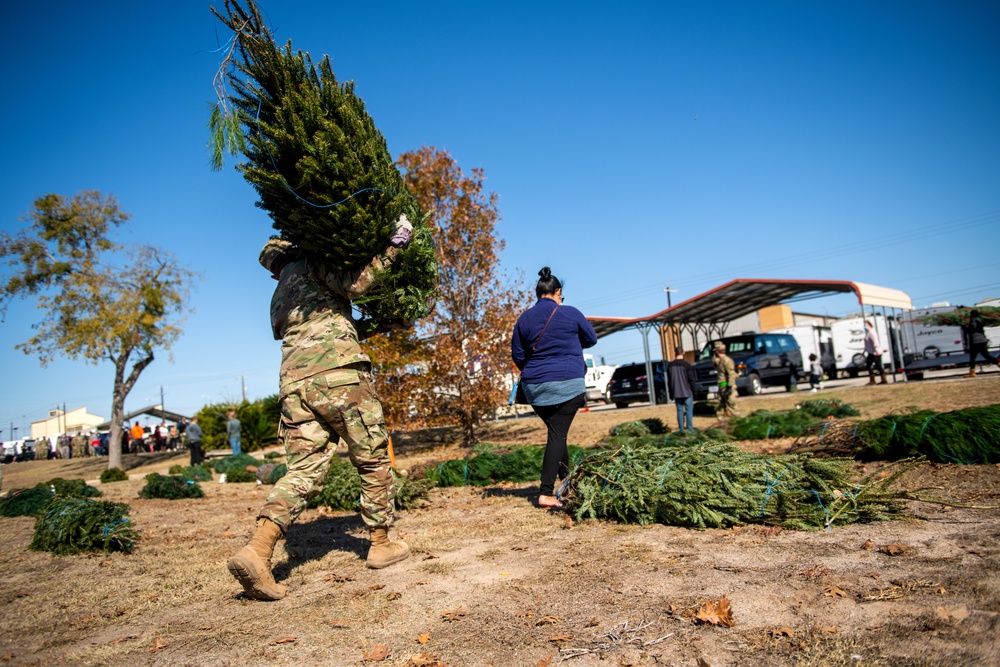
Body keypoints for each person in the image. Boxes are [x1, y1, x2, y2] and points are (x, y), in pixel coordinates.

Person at [228, 217, 414, 602]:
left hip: (294, 385)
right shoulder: (309, 264)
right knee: (372, 458)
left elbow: (328, 323)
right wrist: (394, 245)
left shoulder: (280, 295)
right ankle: (380, 543)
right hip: (340, 378)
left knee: (304, 470)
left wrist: (376, 323)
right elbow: (356, 284)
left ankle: (257, 551)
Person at [511, 267, 597, 509]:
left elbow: (518, 355)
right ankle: (546, 493)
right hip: (568, 384)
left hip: (535, 388)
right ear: (558, 291)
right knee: (557, 435)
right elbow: (591, 339)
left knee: (557, 434)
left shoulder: (524, 318)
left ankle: (568, 483)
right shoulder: (570, 313)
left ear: (538, 292)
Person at [963, 309, 999, 378]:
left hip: (974, 342)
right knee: (987, 356)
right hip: (982, 341)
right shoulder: (980, 322)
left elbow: (967, 332)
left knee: (972, 358)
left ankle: (972, 373)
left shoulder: (969, 322)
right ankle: (998, 364)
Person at [667, 346, 696, 431]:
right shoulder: (686, 365)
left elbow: (669, 381)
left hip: (677, 392)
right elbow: (691, 379)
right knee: (688, 410)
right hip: (687, 392)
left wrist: (671, 393)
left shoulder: (670, 365)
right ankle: (690, 428)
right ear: (683, 353)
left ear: (675, 353)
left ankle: (681, 428)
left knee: (679, 411)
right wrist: (694, 391)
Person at [713, 342, 738, 420]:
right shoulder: (720, 361)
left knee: (731, 404)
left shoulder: (727, 361)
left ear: (718, 351)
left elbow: (731, 374)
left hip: (727, 386)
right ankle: (722, 422)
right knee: (721, 406)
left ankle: (736, 419)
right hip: (722, 385)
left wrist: (729, 387)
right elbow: (715, 364)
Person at [863, 320, 887, 385]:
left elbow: (875, 342)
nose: (864, 326)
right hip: (871, 352)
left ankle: (881, 380)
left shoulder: (872, 333)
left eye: (865, 325)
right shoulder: (868, 333)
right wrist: (864, 351)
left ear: (869, 325)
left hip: (875, 353)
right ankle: (877, 380)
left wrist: (876, 349)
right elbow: (867, 344)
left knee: (876, 365)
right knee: (871, 365)